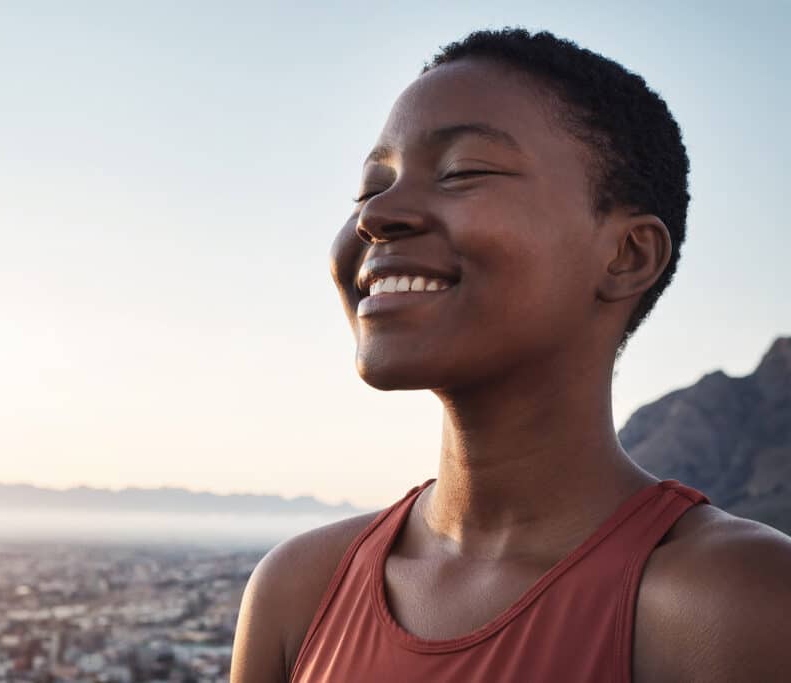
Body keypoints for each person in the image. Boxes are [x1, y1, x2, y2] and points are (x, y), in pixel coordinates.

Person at [230, 27, 791, 682]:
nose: (375, 215)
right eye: (370, 186)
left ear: (628, 254)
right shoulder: (297, 590)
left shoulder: (739, 604)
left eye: (462, 171)